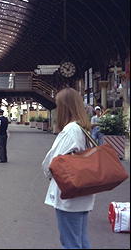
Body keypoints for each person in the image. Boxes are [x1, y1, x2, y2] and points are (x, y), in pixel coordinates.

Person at [41, 87, 94, 249]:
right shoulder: (83, 128)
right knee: (81, 240)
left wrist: (47, 171)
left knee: (70, 243)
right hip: (82, 194)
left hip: (69, 194)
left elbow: (53, 162)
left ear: (64, 107)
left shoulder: (71, 130)